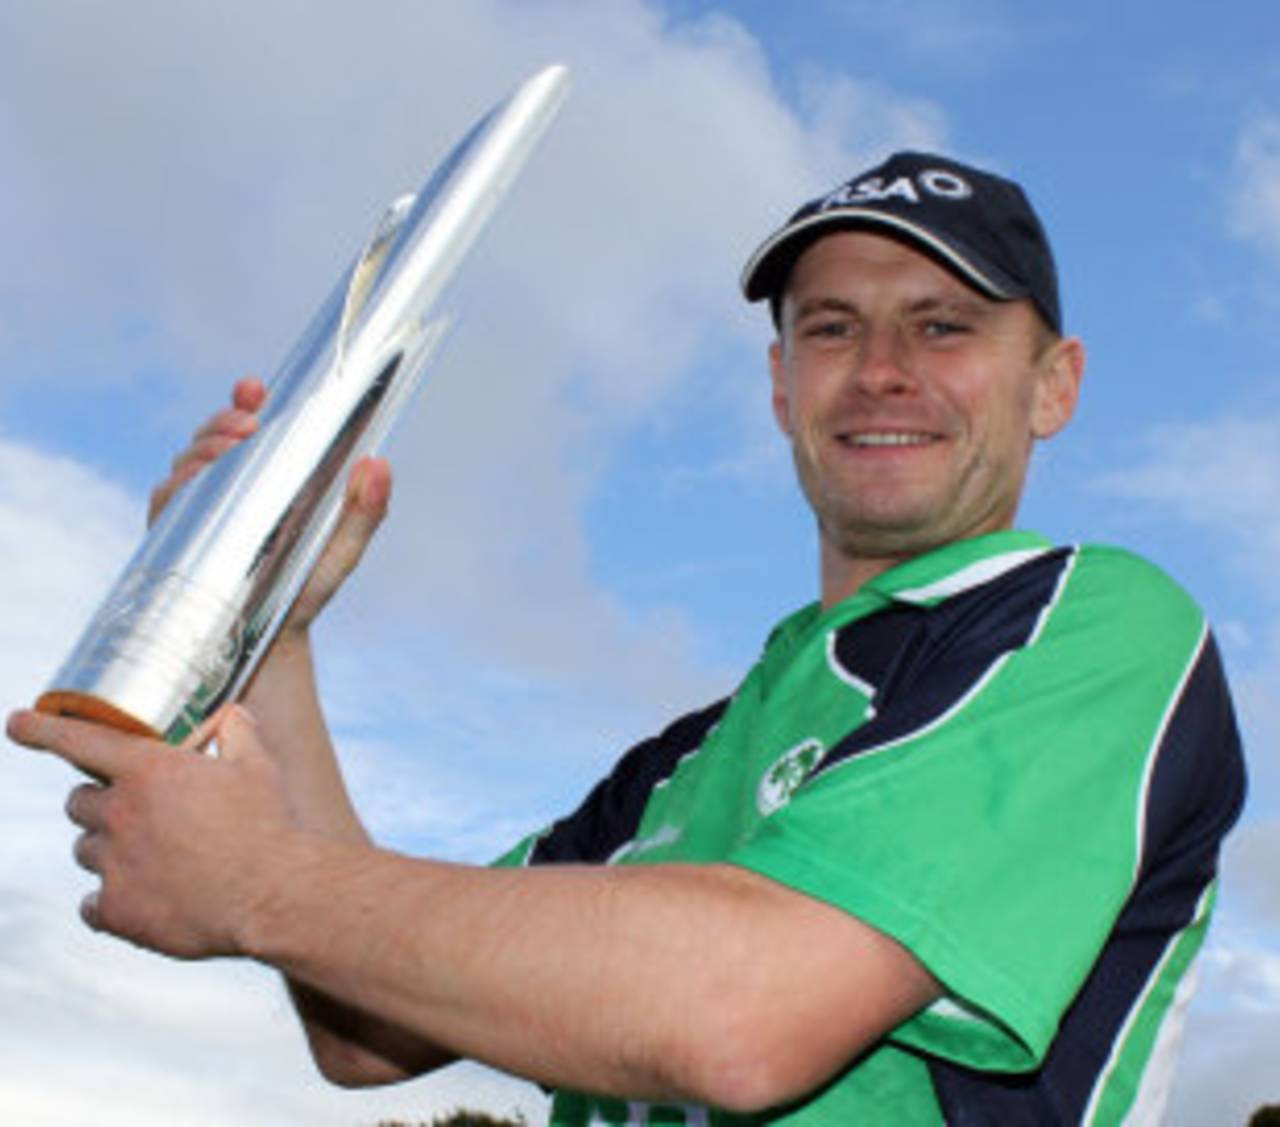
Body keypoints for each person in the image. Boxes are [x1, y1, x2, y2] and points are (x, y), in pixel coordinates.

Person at [9, 152, 1247, 1125]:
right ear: (777, 387)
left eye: (941, 326)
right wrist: (269, 627)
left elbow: (743, 1008)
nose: (879, 370)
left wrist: (255, 881)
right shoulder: (680, 758)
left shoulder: (1089, 624)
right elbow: (365, 1031)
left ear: (1052, 385)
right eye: (829, 328)